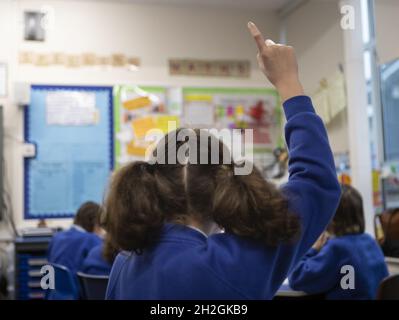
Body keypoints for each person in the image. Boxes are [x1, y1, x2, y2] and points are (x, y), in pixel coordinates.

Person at [105, 22, 341, 300]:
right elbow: (316, 181)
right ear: (221, 189)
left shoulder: (124, 265)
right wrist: (288, 82)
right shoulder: (236, 263)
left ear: (153, 186)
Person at [288, 185, 389, 299]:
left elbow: (297, 279)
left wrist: (313, 249)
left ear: (331, 216)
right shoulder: (369, 241)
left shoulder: (338, 248)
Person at [47, 201, 103, 275]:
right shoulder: (91, 239)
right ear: (95, 223)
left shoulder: (56, 237)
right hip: (78, 285)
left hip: (56, 285)